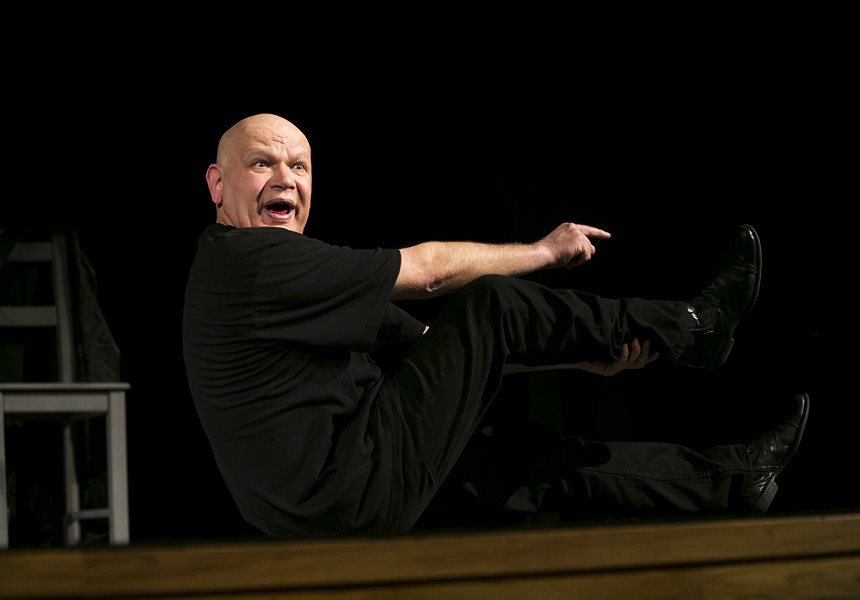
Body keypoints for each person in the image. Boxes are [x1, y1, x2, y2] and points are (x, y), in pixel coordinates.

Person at [182, 113, 809, 539]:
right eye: (262, 164)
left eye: (300, 166)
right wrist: (545, 251)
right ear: (217, 183)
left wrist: (584, 357)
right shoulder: (247, 259)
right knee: (491, 305)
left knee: (530, 465)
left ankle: (730, 481)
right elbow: (431, 275)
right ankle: (696, 326)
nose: (286, 179)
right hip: (348, 485)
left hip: (337, 498)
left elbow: (438, 348)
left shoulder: (295, 284)